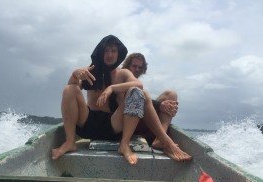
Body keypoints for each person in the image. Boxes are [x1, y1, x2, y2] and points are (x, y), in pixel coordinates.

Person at [51, 35, 146, 165]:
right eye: (106, 51)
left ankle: (124, 145)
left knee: (136, 92)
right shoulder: (90, 71)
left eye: (113, 51)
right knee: (69, 89)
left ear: (118, 53)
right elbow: (72, 91)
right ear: (101, 52)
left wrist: (111, 88)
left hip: (114, 124)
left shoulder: (123, 73)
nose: (109, 54)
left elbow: (139, 85)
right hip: (88, 122)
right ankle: (70, 141)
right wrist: (74, 75)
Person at [122, 53, 183, 153]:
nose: (137, 69)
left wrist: (166, 107)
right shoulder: (122, 77)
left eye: (140, 67)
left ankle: (159, 139)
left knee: (171, 95)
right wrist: (159, 106)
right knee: (140, 93)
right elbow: (134, 97)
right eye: (134, 66)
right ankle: (164, 139)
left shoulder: (137, 82)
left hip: (141, 120)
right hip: (128, 120)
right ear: (128, 66)